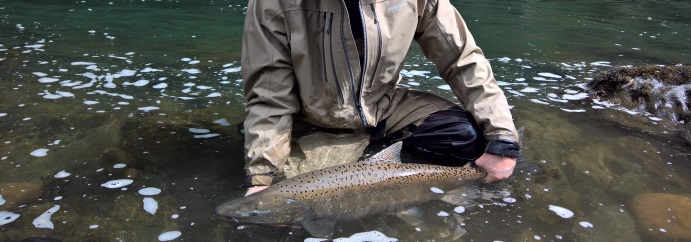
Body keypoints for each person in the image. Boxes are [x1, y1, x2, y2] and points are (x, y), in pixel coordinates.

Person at [241, 0, 520, 196]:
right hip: (313, 119)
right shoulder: (272, 2)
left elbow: (462, 61)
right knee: (292, 202)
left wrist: (504, 139)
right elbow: (269, 97)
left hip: (385, 105)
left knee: (464, 136)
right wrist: (261, 176)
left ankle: (386, 158)